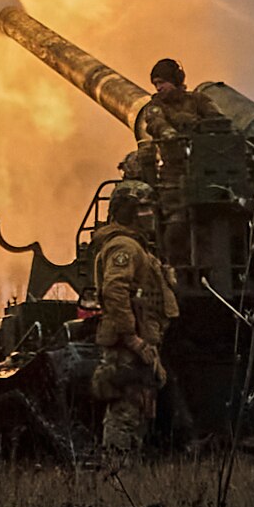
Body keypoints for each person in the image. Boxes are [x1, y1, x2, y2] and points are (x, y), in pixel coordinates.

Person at [87, 181, 178, 461]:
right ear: (126, 212)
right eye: (142, 208)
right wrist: (133, 339)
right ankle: (117, 475)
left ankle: (126, 473)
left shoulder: (138, 247)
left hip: (140, 343)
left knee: (139, 407)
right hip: (129, 346)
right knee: (125, 410)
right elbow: (115, 290)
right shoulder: (124, 247)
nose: (150, 214)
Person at [135, 58, 212, 142]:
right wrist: (169, 133)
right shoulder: (155, 105)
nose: (158, 88)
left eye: (161, 82)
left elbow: (218, 122)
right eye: (155, 84)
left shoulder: (198, 99)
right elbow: (156, 123)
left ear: (175, 81)